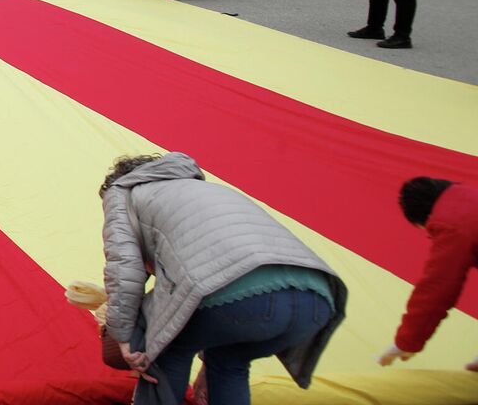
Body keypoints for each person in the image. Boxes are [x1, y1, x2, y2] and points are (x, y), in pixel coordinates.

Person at [101, 153, 345, 405]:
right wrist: (208, 365)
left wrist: (123, 337)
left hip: (242, 294)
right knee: (229, 363)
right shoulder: (205, 190)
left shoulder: (122, 192)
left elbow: (124, 268)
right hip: (317, 300)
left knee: (160, 348)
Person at [380, 177, 478, 372]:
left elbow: (438, 288)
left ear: (423, 220)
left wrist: (405, 342)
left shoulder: (452, 223)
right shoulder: (467, 195)